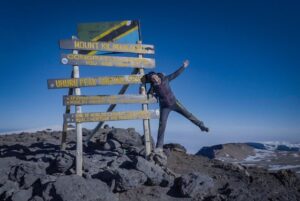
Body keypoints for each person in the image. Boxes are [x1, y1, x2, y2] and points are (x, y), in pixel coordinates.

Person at [144, 60, 209, 150]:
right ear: (151, 80)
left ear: (157, 75)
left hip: (175, 103)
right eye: (152, 79)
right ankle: (159, 146)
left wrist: (183, 66)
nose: (154, 79)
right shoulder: (153, 87)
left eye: (154, 77)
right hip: (164, 107)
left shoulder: (165, 79)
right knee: (162, 125)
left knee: (188, 114)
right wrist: (145, 92)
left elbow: (175, 74)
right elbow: (149, 95)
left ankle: (201, 126)